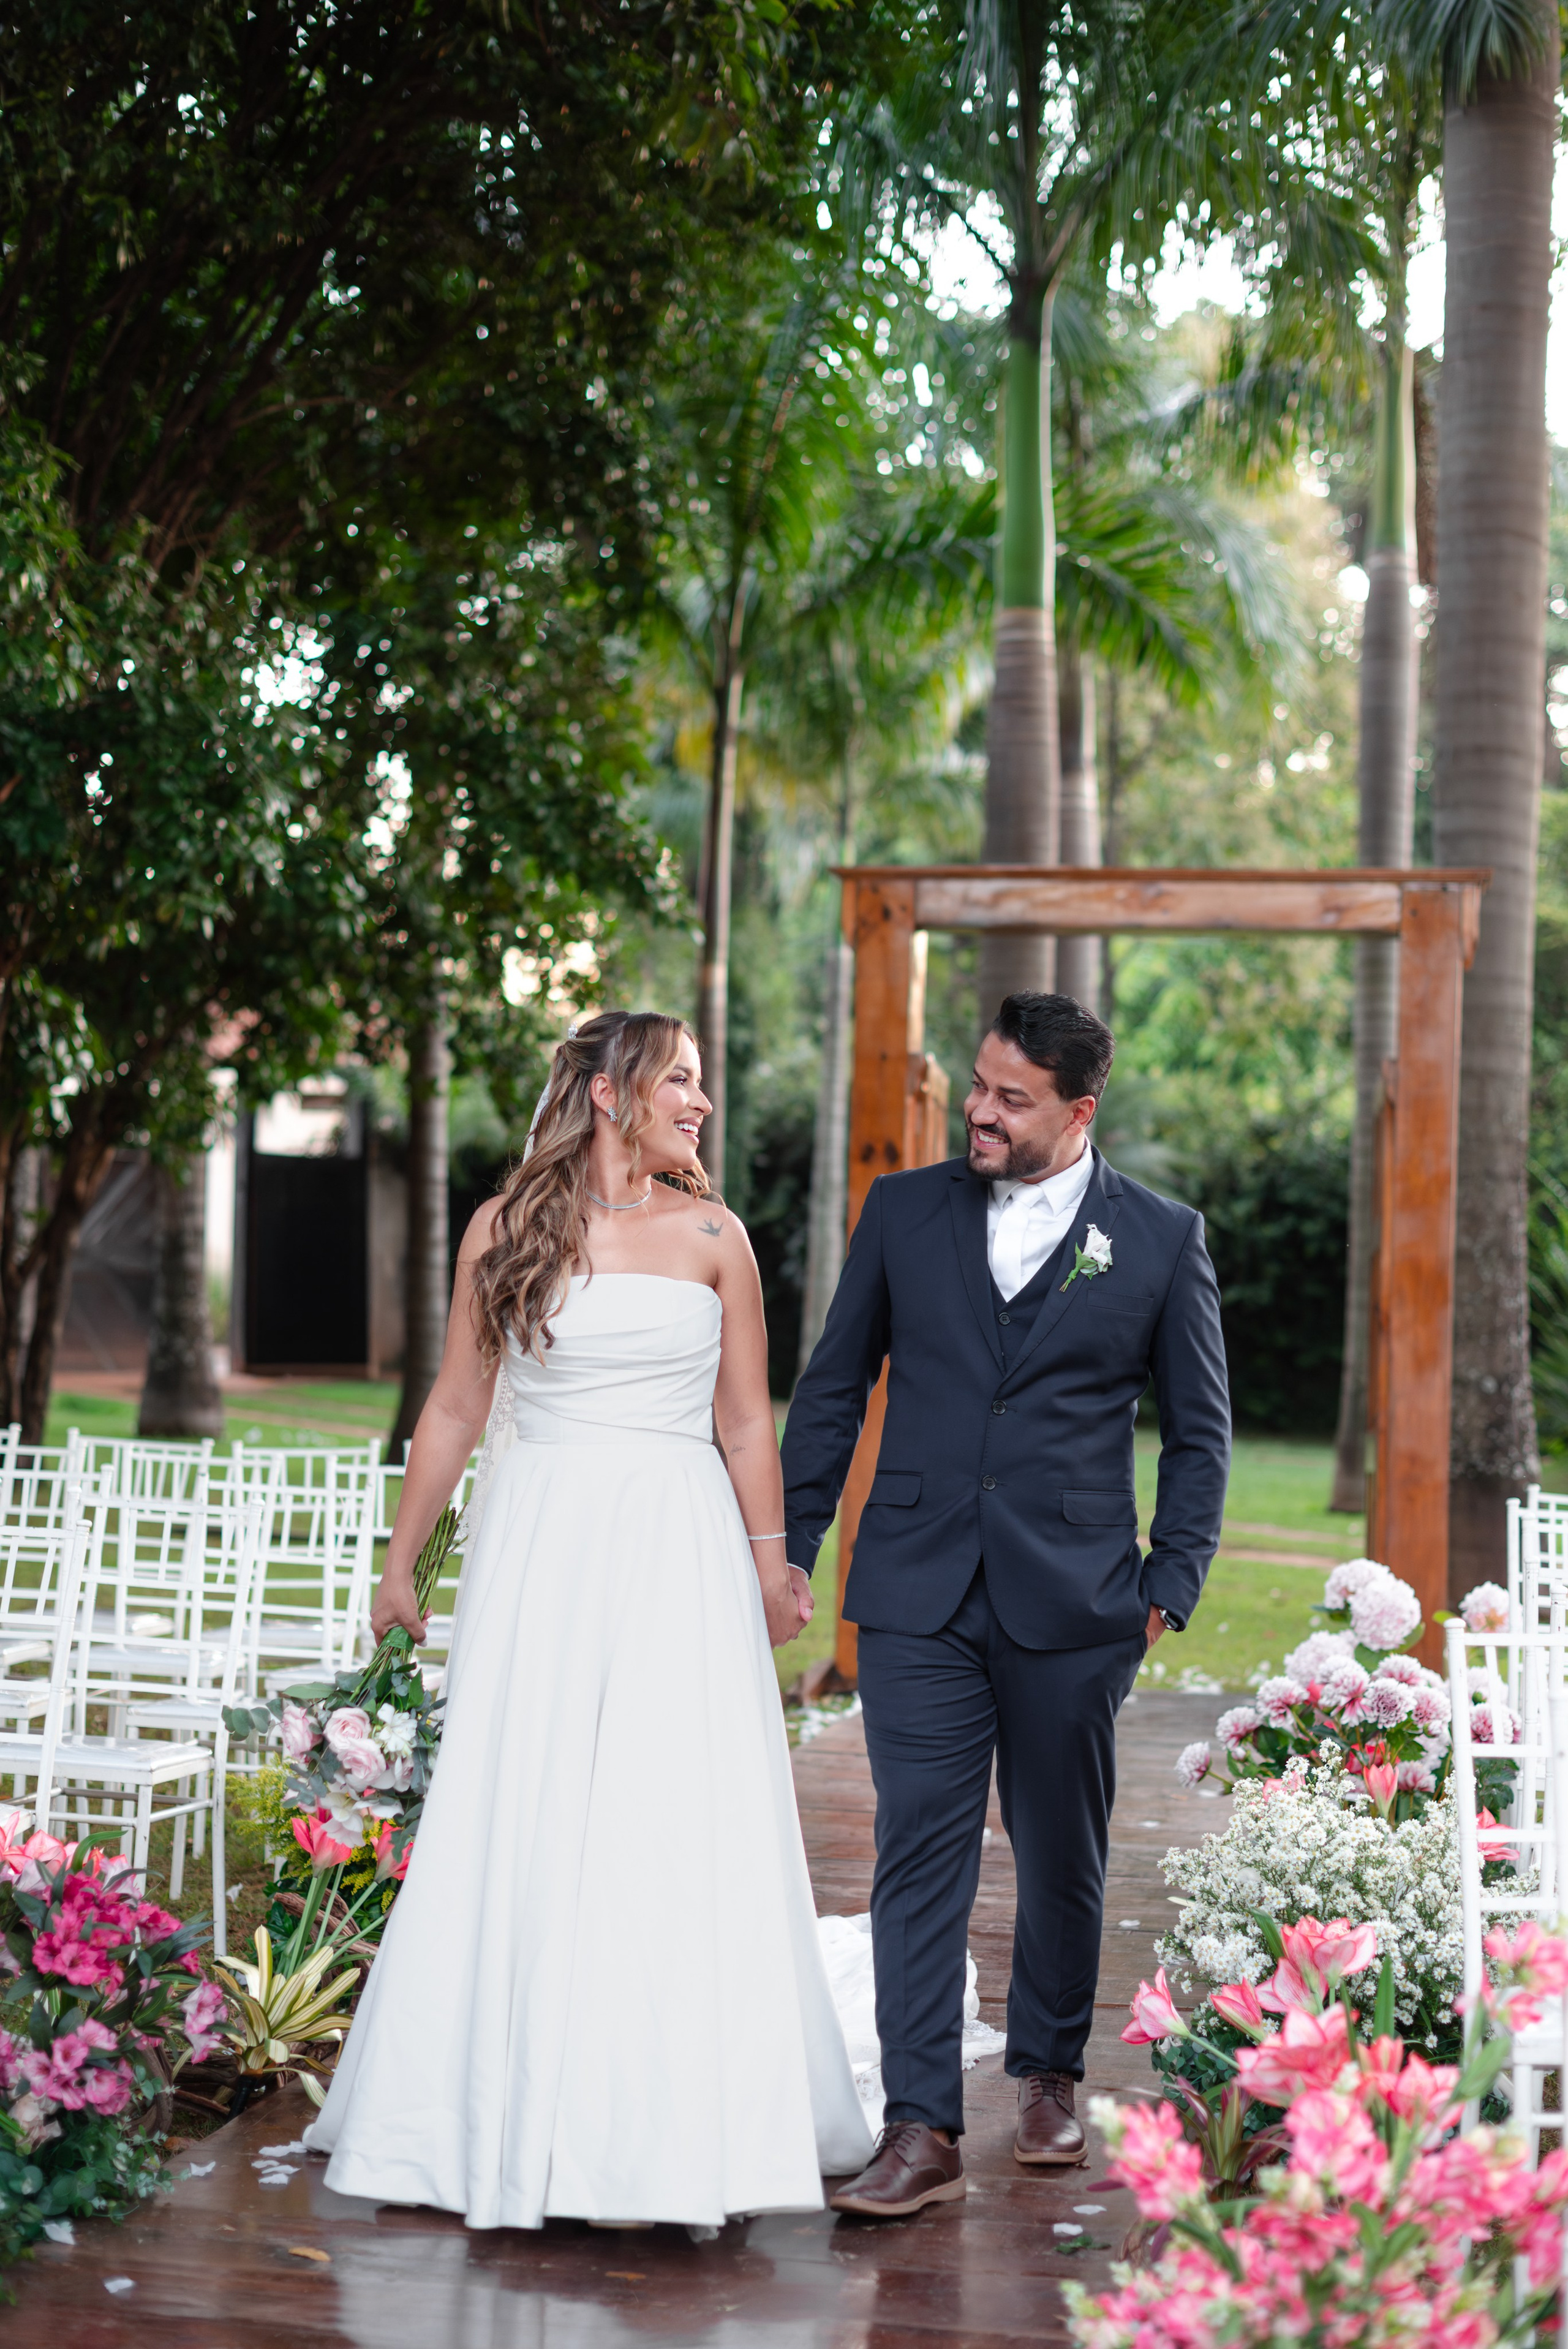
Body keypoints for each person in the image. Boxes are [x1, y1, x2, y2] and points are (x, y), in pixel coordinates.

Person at [312, 1010, 872, 2230]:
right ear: (612, 1093)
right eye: (681, 1079)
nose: (700, 1103)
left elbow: (742, 1424)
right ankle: (492, 2106)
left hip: (675, 1544)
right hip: (539, 1550)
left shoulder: (717, 1237)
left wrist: (773, 1567)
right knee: (525, 1795)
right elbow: (457, 1405)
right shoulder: (505, 1230)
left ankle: (674, 2112)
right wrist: (400, 1561)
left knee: (668, 1804)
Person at [781, 992, 1230, 2218]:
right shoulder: (901, 1212)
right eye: (978, 1084)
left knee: (1059, 1851)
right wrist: (793, 1543)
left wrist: (1165, 1589)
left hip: (1079, 1599)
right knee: (914, 1851)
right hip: (915, 1587)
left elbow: (1198, 1434)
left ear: (1077, 1111)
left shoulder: (1158, 1236)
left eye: (1009, 1097)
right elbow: (829, 1389)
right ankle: (919, 2127)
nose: (977, 1110)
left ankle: (1044, 2073)